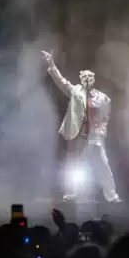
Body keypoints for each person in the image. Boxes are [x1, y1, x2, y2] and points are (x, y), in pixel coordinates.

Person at [41, 50, 121, 203]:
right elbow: (61, 81)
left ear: (93, 79)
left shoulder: (103, 98)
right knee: (74, 165)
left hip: (95, 136)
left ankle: (112, 195)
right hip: (79, 135)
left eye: (89, 77)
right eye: (84, 77)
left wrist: (102, 131)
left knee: (103, 165)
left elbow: (106, 117)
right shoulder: (75, 91)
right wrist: (52, 64)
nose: (87, 79)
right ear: (81, 79)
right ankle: (72, 192)